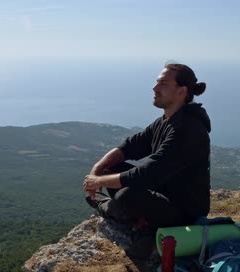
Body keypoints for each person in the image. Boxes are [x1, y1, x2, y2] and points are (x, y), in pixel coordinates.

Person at [82, 63, 211, 256]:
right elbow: (129, 147)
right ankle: (142, 221)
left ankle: (105, 206)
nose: (155, 88)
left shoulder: (188, 129)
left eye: (163, 84)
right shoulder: (166, 120)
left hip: (185, 211)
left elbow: (147, 173)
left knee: (126, 195)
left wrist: (98, 182)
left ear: (181, 91)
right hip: (163, 194)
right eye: (157, 82)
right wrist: (97, 169)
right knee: (111, 169)